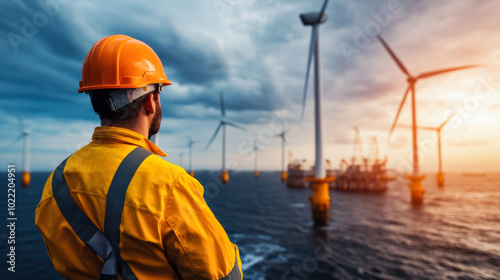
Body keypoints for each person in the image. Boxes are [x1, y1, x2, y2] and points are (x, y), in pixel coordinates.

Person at [35, 35, 242, 280]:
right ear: (150, 102)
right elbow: (224, 275)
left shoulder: (56, 183)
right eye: (159, 90)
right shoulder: (170, 186)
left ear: (96, 102)